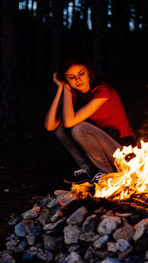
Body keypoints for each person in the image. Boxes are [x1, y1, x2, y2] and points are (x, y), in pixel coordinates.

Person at [45, 52, 135, 184]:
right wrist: (62, 89)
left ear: (89, 72)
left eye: (81, 73)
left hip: (122, 150)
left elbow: (70, 122)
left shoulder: (103, 91)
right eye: (71, 77)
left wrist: (66, 89)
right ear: (66, 79)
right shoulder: (73, 96)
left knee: (78, 128)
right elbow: (50, 126)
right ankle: (87, 169)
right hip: (102, 149)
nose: (78, 80)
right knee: (60, 128)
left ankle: (106, 173)